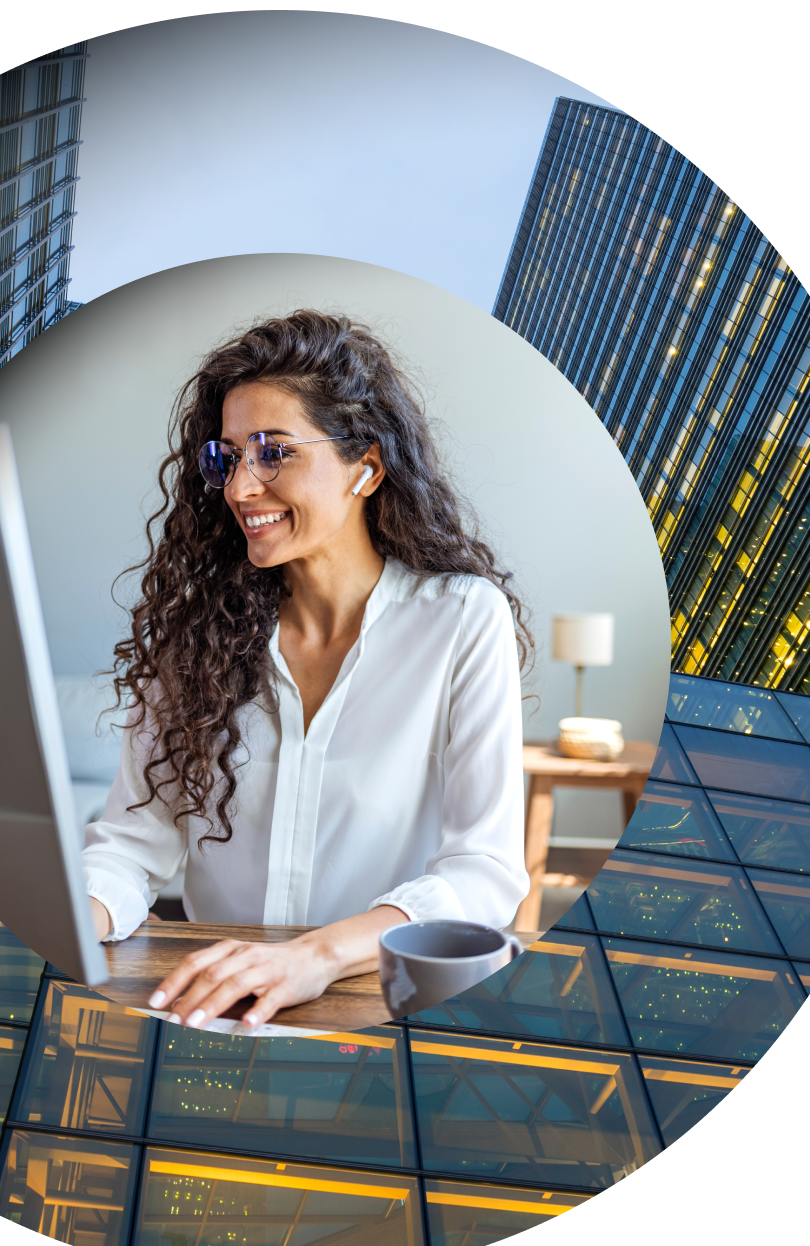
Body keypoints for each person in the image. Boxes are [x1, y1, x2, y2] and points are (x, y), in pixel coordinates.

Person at [83, 310, 532, 1029]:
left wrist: (315, 956)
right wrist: (79, 909)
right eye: (229, 457)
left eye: (273, 452)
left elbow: (486, 872)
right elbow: (130, 848)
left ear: (367, 466)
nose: (238, 488)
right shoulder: (199, 633)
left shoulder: (460, 619)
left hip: (375, 1007)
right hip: (211, 1004)